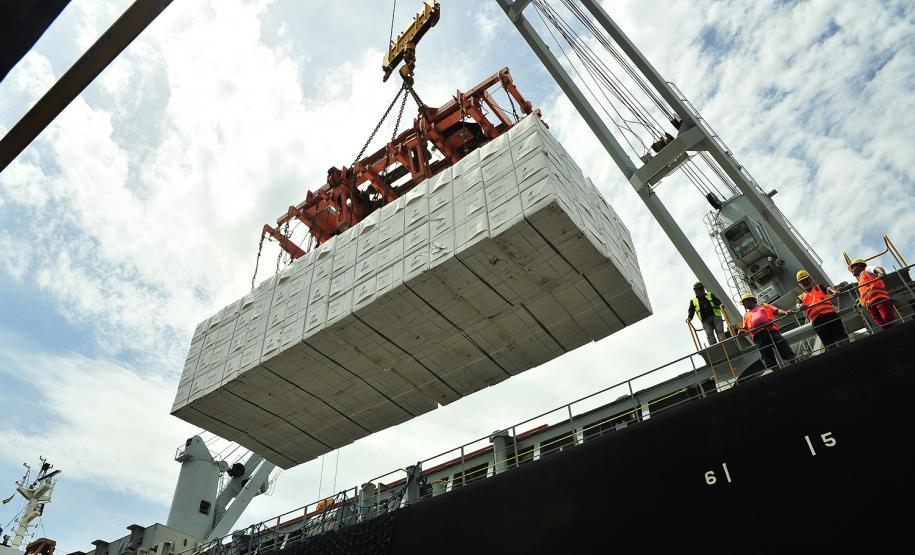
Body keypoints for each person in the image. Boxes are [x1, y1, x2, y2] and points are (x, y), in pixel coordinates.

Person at [737, 293, 796, 370]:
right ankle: (777, 372)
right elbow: (745, 329)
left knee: (782, 345)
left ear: (751, 300)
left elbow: (776, 310)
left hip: (771, 330)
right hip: (758, 336)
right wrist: (742, 331)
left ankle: (794, 364)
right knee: (766, 354)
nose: (744, 305)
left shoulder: (764, 306)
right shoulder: (746, 315)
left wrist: (785, 312)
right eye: (743, 304)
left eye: (745, 303)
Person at [795, 270, 847, 350]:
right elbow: (798, 305)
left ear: (810, 279)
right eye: (802, 281)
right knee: (829, 344)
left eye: (806, 279)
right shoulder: (801, 297)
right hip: (817, 322)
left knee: (842, 338)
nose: (805, 282)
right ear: (800, 284)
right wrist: (800, 306)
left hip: (831, 316)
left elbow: (828, 289)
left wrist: (834, 292)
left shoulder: (819, 287)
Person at [848, 258, 896, 329]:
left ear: (859, 265)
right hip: (870, 306)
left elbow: (877, 268)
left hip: (880, 299)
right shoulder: (860, 282)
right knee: (882, 325)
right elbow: (864, 293)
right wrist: (861, 302)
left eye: (853, 267)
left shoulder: (867, 269)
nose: (852, 270)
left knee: (888, 318)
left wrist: (881, 273)